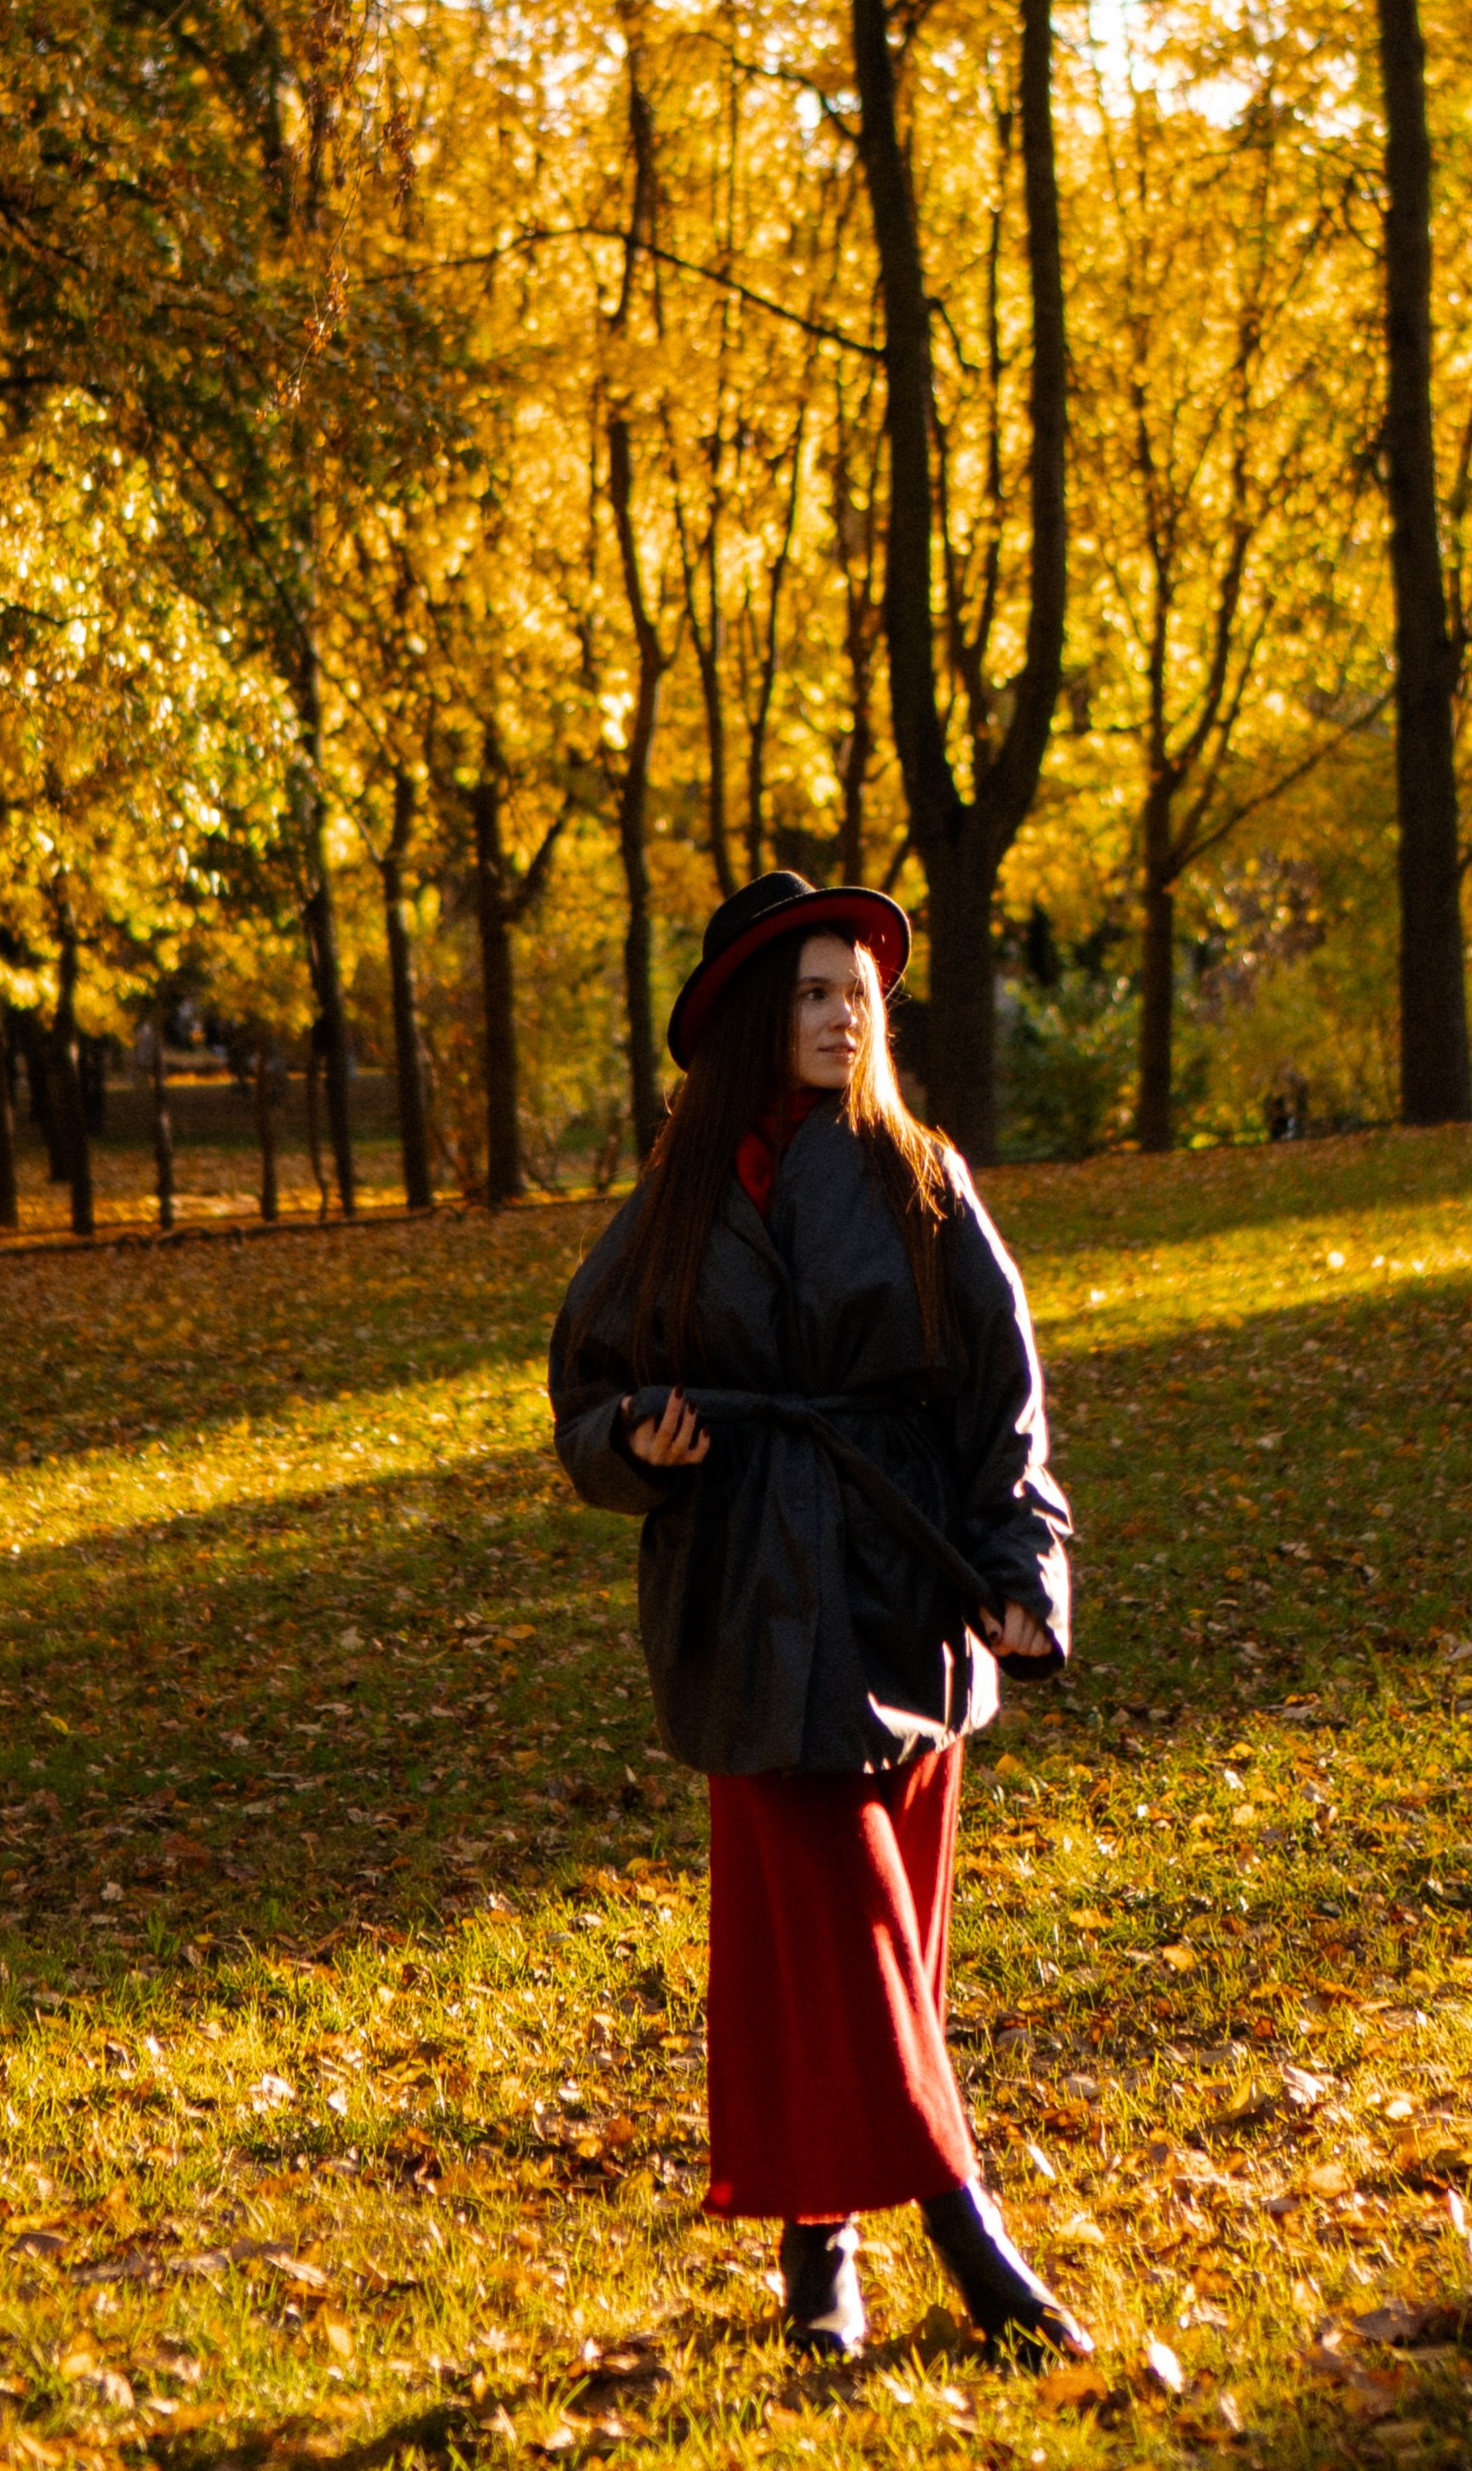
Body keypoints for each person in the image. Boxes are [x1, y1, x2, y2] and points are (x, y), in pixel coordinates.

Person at [549, 867, 1089, 2368]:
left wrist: (1025, 1574)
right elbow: (586, 1397)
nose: (845, 1015)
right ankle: (967, 2231)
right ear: (747, 1020)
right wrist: (634, 1445)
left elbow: (1006, 1411)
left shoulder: (924, 1179)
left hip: (902, 1592)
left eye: (860, 991)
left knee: (875, 1952)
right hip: (743, 1603)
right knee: (838, 1935)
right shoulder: (677, 1201)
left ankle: (816, 2255)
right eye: (812, 992)